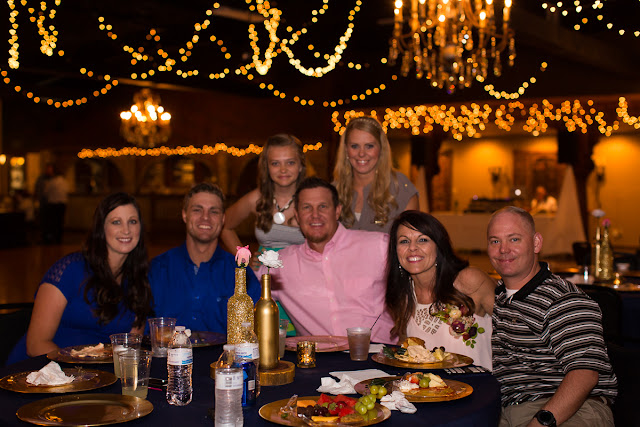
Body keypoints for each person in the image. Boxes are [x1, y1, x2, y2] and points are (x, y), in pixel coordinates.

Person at [487, 206, 617, 427]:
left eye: (514, 239)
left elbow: (585, 374)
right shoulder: (502, 295)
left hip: (570, 411)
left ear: (537, 243)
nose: (503, 250)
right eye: (495, 241)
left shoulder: (563, 299)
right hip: (510, 410)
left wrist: (541, 422)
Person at [7, 192, 154, 363]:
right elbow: (35, 345)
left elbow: (131, 346)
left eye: (133, 221)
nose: (126, 230)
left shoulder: (139, 279)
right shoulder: (70, 269)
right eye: (116, 222)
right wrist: (81, 373)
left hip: (100, 376)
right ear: (101, 228)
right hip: (43, 371)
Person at [258, 177, 396, 344]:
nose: (315, 215)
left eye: (323, 206)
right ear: (297, 215)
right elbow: (240, 290)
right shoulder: (280, 264)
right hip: (319, 362)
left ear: (337, 211)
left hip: (378, 356)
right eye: (307, 207)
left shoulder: (378, 246)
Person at [385, 211, 495, 370]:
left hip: (482, 389)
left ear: (439, 246)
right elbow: (406, 350)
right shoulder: (404, 295)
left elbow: (515, 331)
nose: (412, 248)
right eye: (404, 241)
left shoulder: (469, 281)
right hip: (432, 393)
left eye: (422, 240)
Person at [149, 182, 260, 334]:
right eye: (197, 210)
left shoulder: (241, 274)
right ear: (184, 215)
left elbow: (254, 333)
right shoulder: (157, 269)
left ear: (223, 219)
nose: (205, 217)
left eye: (214, 211)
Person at [221, 134, 306, 268]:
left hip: (305, 278)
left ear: (301, 165)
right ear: (267, 167)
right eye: (275, 163)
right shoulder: (256, 198)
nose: (283, 169)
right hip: (265, 280)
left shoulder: (313, 199)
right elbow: (224, 226)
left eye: (290, 162)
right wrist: (245, 260)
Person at [333, 116, 419, 233]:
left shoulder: (400, 187)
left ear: (381, 149)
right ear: (346, 150)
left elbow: (411, 241)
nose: (361, 153)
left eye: (369, 146)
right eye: (354, 146)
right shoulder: (334, 191)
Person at [42, 165, 69, 244]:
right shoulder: (64, 181)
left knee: (53, 223)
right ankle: (58, 239)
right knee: (59, 222)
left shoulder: (52, 182)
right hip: (62, 205)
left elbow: (45, 192)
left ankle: (53, 239)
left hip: (53, 205)